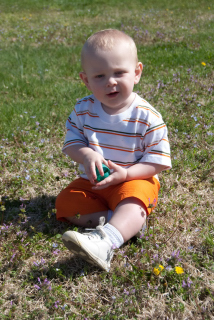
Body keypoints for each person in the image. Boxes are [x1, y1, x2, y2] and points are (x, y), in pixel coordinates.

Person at [55, 29, 171, 272]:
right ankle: (124, 222)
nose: (111, 81)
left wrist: (127, 175)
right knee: (65, 203)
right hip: (94, 182)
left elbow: (158, 161)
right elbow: (72, 142)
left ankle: (106, 241)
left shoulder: (147, 116)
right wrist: (86, 154)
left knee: (135, 199)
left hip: (135, 179)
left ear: (137, 72)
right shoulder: (83, 109)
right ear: (85, 80)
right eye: (99, 76)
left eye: (119, 72)